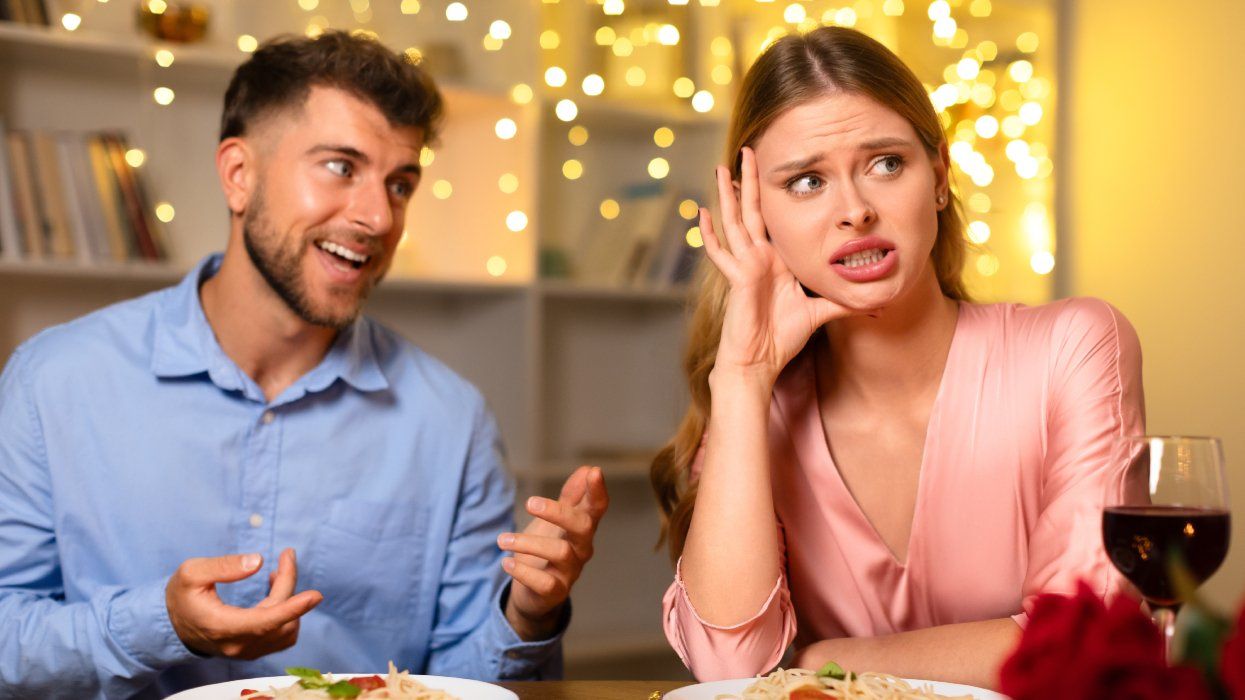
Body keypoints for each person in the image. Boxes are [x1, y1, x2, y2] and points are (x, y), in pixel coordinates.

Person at [0, 31, 607, 699]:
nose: (378, 216)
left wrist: (528, 611)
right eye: (341, 167)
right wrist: (160, 623)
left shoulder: (449, 419)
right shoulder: (53, 381)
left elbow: (458, 685)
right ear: (239, 175)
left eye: (400, 183)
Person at [651, 26, 1142, 689]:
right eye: (805, 182)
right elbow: (730, 667)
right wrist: (741, 380)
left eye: (885, 163)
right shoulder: (756, 412)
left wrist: (826, 661)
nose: (854, 210)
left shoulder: (1075, 348)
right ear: (754, 213)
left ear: (938, 176)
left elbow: (1081, 643)